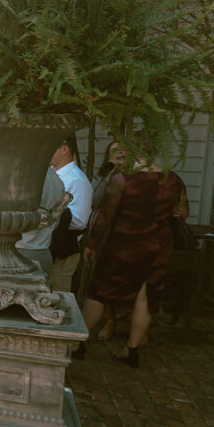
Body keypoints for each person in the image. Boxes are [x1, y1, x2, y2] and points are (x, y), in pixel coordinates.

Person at [77, 155, 189, 368]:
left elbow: (106, 216)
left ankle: (77, 343)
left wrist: (91, 244)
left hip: (125, 244)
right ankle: (132, 349)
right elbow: (183, 213)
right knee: (145, 296)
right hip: (159, 245)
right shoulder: (173, 179)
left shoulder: (122, 179)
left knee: (99, 292)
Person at [89, 141, 127, 339]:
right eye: (114, 150)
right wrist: (108, 180)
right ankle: (107, 320)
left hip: (126, 233)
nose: (120, 153)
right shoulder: (101, 176)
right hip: (104, 231)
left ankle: (118, 319)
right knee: (102, 276)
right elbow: (94, 201)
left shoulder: (136, 176)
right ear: (108, 156)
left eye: (123, 149)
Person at [49, 136, 92, 292]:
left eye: (50, 147)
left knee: (58, 289)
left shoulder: (76, 179)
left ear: (64, 149)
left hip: (64, 249)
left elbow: (79, 221)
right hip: (49, 245)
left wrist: (50, 218)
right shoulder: (52, 174)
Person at [15, 167, 65, 277]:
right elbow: (55, 222)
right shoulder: (55, 179)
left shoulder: (22, 175)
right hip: (41, 252)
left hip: (17, 253)